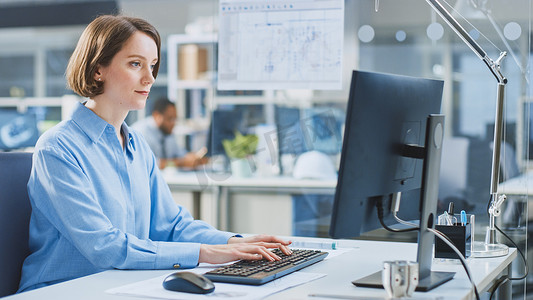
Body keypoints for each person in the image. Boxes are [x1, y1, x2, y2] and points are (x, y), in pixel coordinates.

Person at [18, 15, 291, 293]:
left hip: (122, 284)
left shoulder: (135, 143)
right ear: (98, 68)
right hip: (61, 290)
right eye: (135, 64)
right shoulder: (57, 148)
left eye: (153, 65)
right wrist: (206, 253)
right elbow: (104, 246)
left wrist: (234, 242)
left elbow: (170, 226)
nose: (149, 78)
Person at [132, 97, 207, 169]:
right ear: (156, 116)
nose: (173, 123)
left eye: (175, 119)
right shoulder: (141, 133)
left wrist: (193, 158)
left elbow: (179, 153)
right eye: (170, 119)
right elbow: (152, 164)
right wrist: (180, 163)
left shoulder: (167, 132)